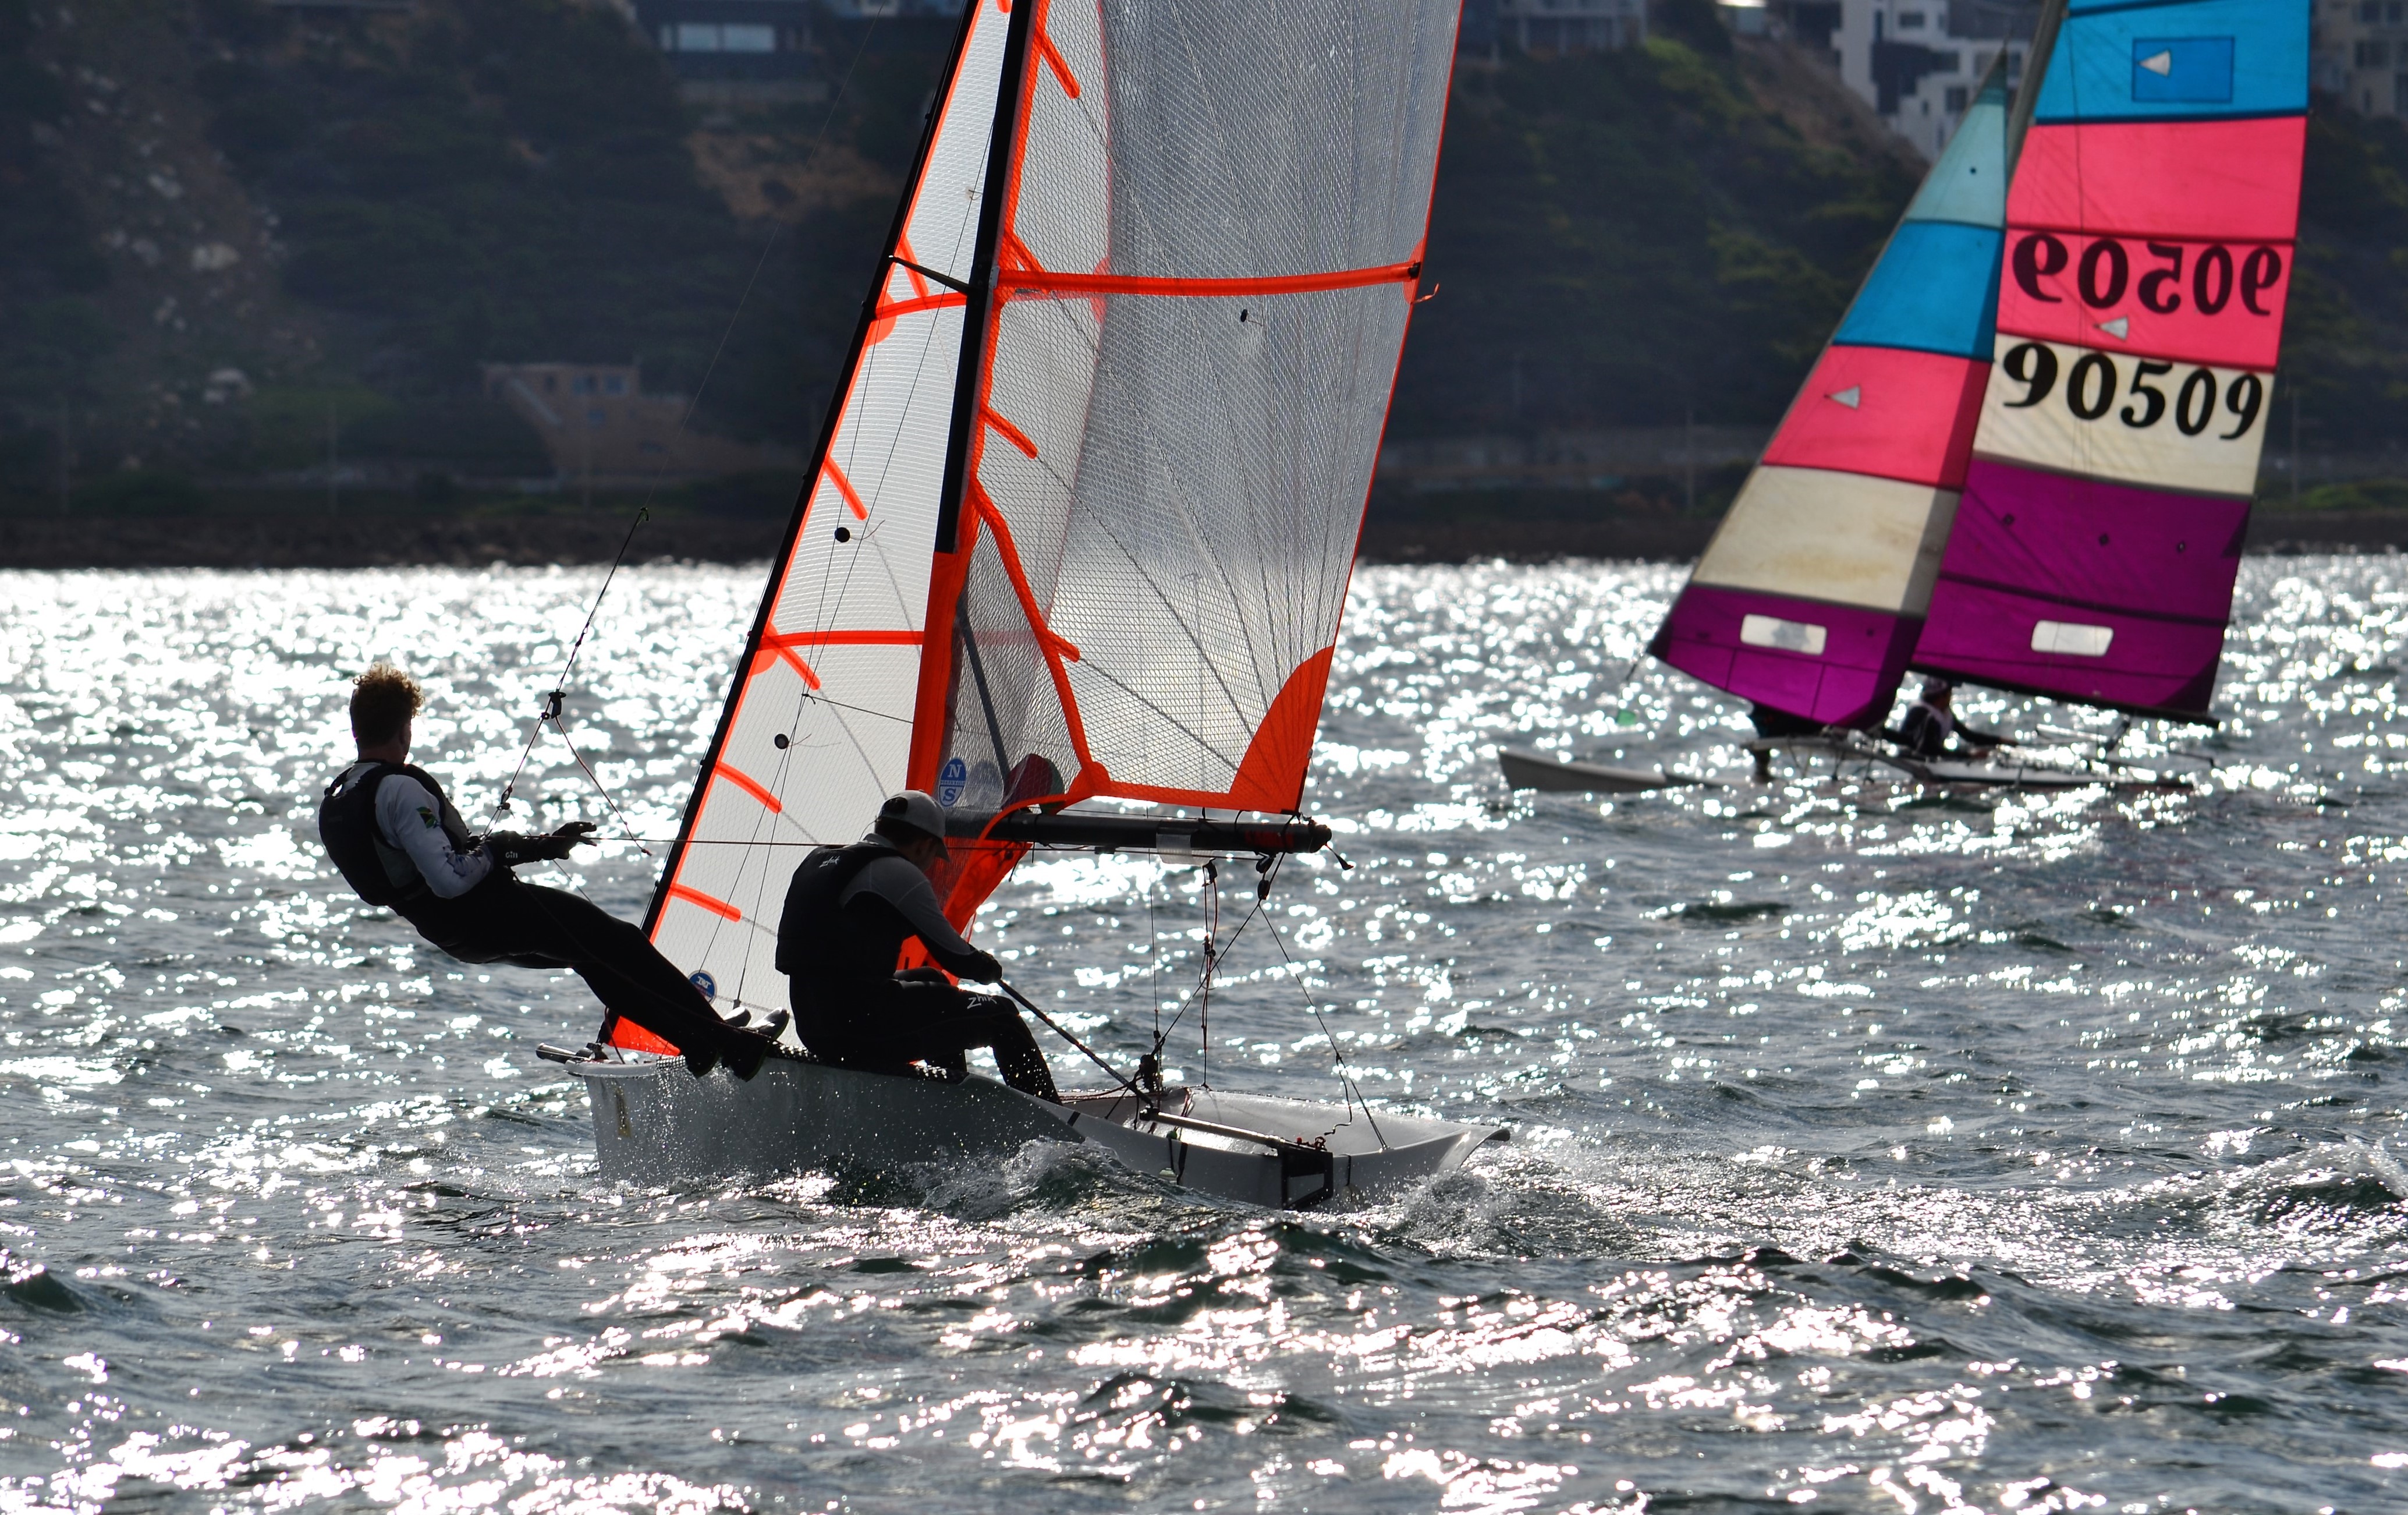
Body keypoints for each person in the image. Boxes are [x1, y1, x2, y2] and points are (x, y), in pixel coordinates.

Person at [317, 664, 775, 1079]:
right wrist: (498, 850)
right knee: (621, 942)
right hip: (484, 913)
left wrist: (540, 847)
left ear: (357, 728)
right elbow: (450, 879)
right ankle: (732, 1044)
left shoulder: (344, 794)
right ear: (405, 727)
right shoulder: (398, 790)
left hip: (451, 934)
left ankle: (699, 1042)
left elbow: (438, 867)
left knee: (591, 956)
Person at [775, 791, 1059, 1101]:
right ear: (923, 845)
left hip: (815, 1026)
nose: (930, 866)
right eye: (934, 855)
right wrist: (988, 967)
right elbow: (958, 958)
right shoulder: (897, 871)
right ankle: (1050, 1116)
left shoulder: (821, 861)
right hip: (860, 1029)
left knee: (932, 979)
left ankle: (948, 1102)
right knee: (1001, 1015)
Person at [1892, 679, 2009, 761]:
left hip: (1931, 757)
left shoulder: (1943, 712)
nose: (1951, 696)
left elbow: (1968, 736)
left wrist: (2001, 740)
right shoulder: (1924, 715)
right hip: (1914, 760)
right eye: (1950, 692)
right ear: (1940, 696)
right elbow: (1929, 749)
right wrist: (1968, 756)